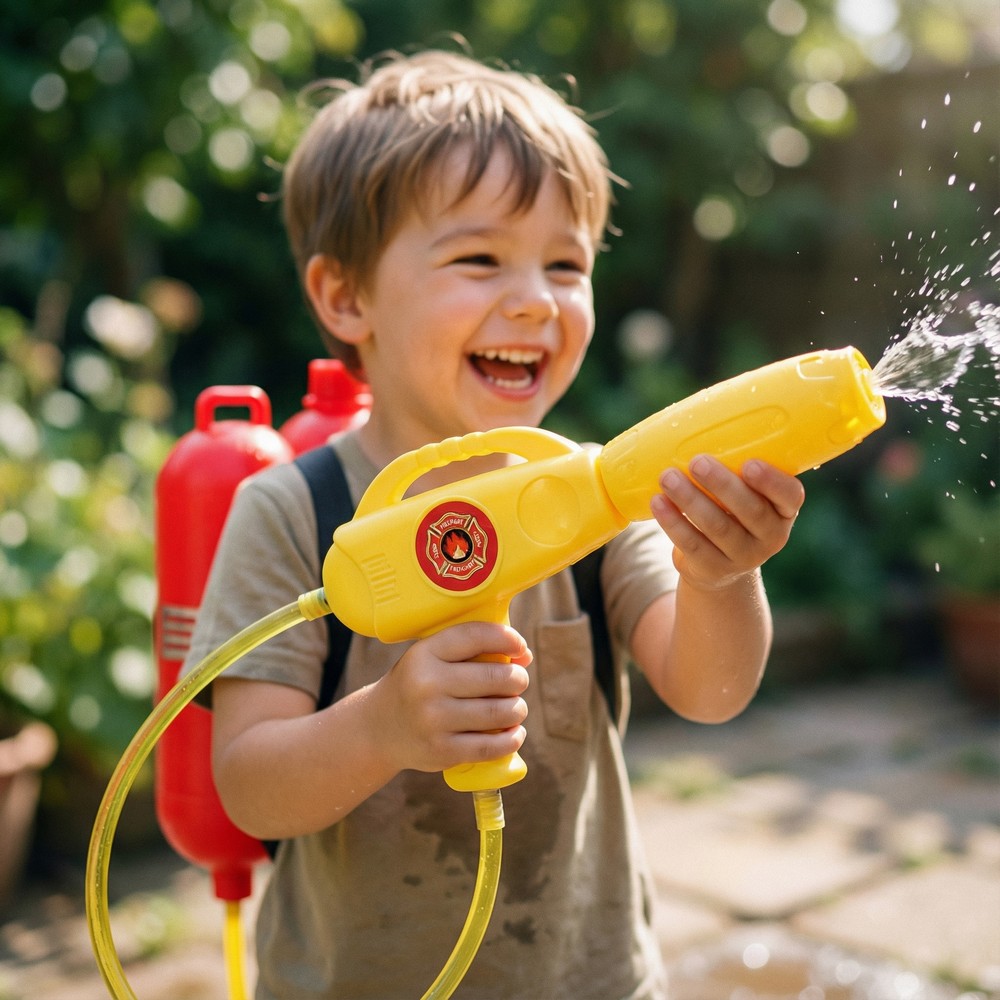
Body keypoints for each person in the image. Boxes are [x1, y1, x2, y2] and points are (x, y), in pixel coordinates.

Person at [185, 48, 805, 1000]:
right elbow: (249, 780)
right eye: (480, 258)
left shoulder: (600, 496)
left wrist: (720, 576)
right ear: (347, 298)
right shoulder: (295, 513)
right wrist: (382, 728)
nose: (536, 299)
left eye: (568, 264)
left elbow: (710, 688)